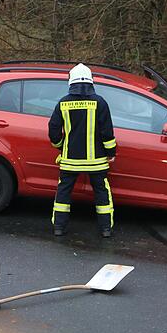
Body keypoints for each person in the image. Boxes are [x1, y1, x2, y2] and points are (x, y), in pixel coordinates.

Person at [47, 63, 117, 238]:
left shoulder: (63, 103)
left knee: (63, 192)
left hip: (70, 160)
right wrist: (111, 153)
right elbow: (107, 132)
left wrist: (60, 146)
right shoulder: (100, 102)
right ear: (91, 82)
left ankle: (59, 228)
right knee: (102, 193)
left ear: (71, 82)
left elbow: (53, 130)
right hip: (97, 161)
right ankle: (105, 229)